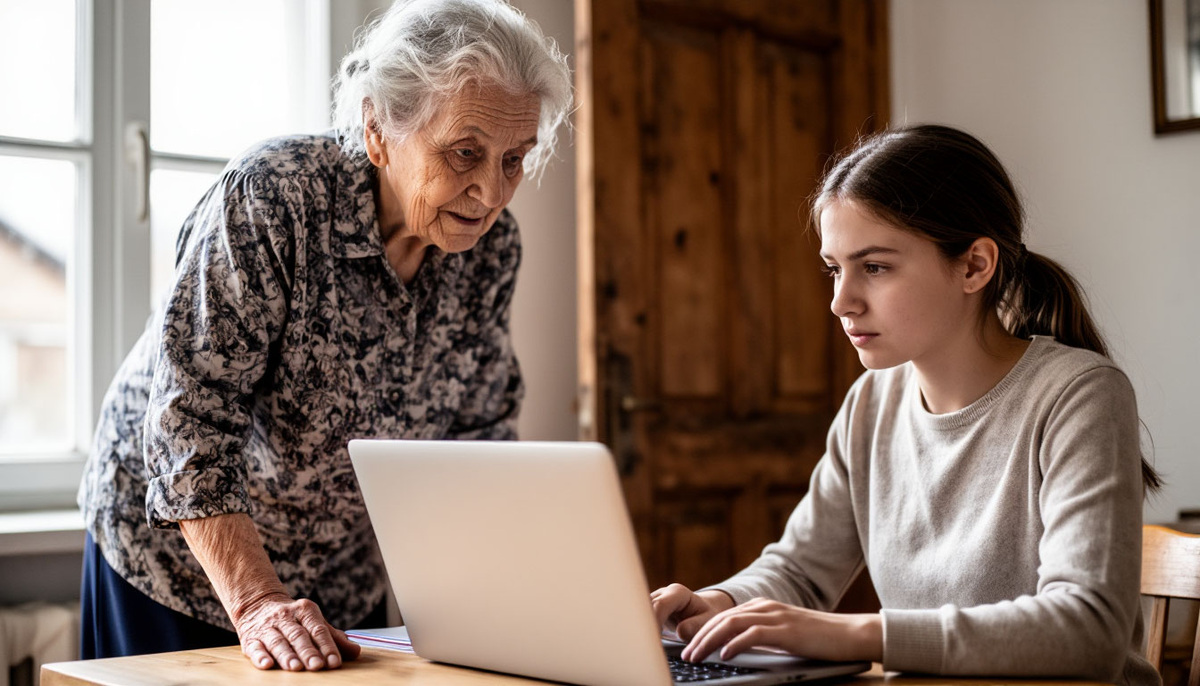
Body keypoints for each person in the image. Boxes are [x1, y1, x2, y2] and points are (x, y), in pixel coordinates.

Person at [76, 0, 571, 672]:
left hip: (336, 579)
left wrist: (503, 611)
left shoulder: (491, 249)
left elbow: (478, 436)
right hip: (181, 563)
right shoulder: (274, 197)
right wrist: (255, 601)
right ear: (377, 129)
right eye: (465, 152)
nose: (490, 192)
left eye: (514, 159)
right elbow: (189, 417)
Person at [650, 124, 1163, 684]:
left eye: (874, 267)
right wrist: (719, 603)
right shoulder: (871, 402)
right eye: (834, 268)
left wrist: (855, 633)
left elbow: (1087, 630)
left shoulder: (1079, 395)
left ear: (974, 266)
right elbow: (799, 570)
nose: (841, 302)